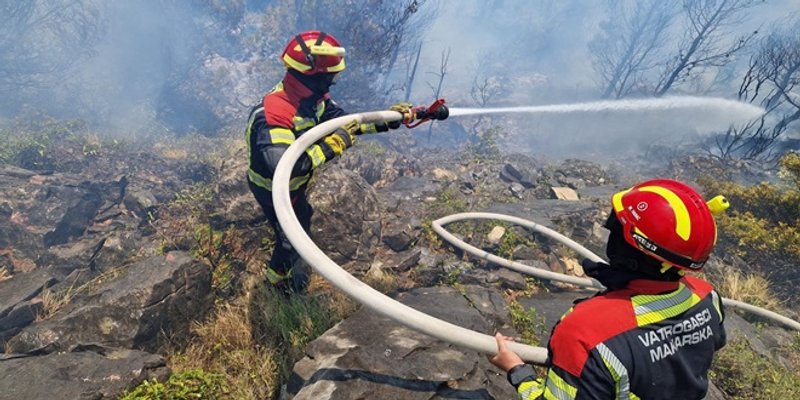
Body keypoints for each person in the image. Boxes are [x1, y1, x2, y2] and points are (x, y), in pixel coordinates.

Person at [489, 179, 727, 400]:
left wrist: (517, 371)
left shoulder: (585, 333)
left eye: (615, 227)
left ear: (625, 245)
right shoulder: (707, 296)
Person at [246, 30, 415, 294]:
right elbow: (284, 167)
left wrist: (394, 118)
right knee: (290, 239)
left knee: (302, 218)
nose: (334, 81)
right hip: (273, 191)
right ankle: (277, 287)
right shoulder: (274, 113)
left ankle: (286, 273)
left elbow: (349, 124)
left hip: (294, 188)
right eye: (330, 76)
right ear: (311, 76)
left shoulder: (313, 100)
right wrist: (330, 146)